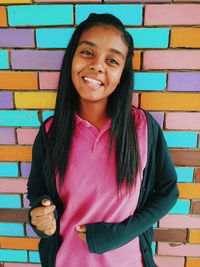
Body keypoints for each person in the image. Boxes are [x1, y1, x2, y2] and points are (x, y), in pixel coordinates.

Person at [27, 13, 179, 267]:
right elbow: (37, 191)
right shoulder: (50, 132)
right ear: (71, 59)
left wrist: (119, 233)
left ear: (122, 75)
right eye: (87, 52)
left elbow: (167, 191)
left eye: (112, 60)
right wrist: (40, 218)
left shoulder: (142, 127)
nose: (98, 66)